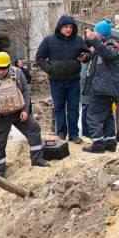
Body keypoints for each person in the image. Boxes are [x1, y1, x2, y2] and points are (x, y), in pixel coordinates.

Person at [0, 51, 50, 176]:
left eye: (3, 68)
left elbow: (25, 91)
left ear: (9, 65)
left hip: (17, 112)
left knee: (34, 129)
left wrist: (25, 110)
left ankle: (37, 159)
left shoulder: (17, 73)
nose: (0, 71)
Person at [35, 14, 89, 143]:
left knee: (73, 108)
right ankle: (61, 133)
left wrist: (85, 57)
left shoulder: (78, 40)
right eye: (65, 27)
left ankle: (74, 135)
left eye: (70, 27)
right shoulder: (49, 41)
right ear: (60, 27)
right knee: (59, 108)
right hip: (56, 81)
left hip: (74, 80)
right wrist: (50, 69)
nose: (68, 29)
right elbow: (39, 58)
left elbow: (88, 54)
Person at [81, 20, 119, 153]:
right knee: (107, 116)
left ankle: (98, 144)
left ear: (101, 34)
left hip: (104, 88)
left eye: (96, 31)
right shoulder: (106, 45)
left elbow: (107, 54)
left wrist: (93, 39)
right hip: (106, 88)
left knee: (93, 115)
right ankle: (110, 142)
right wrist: (86, 56)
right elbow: (99, 57)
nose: (94, 33)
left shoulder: (113, 45)